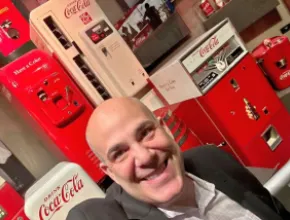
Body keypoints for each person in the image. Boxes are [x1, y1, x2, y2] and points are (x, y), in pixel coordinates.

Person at [67, 97, 290, 220]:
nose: (145, 156)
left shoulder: (210, 159)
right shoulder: (99, 216)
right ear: (110, 172)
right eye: (120, 153)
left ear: (166, 129)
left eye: (145, 133)